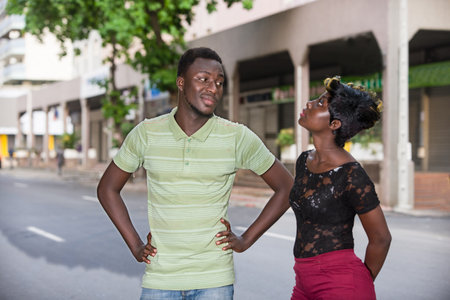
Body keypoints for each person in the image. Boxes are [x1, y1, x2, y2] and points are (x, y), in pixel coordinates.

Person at [97, 47, 293, 300]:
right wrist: (135, 245)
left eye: (219, 82)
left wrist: (245, 240)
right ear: (181, 83)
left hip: (214, 280)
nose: (213, 87)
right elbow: (107, 189)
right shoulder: (147, 133)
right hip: (160, 278)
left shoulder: (236, 136)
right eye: (204, 79)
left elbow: (287, 187)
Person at [289, 76, 391, 300]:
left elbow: (381, 238)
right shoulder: (304, 160)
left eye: (320, 104)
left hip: (341, 284)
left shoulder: (352, 175)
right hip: (303, 282)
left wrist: (358, 282)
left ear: (335, 124)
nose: (309, 104)